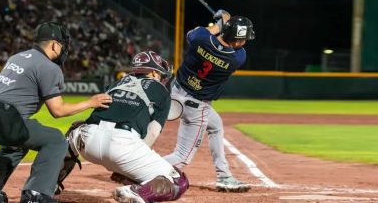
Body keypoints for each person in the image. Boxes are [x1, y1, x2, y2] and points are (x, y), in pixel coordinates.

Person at [0, 21, 112, 203]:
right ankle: (37, 194)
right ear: (55, 44)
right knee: (55, 140)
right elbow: (58, 110)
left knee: (18, 140)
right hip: (0, 117)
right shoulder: (49, 67)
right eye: (63, 45)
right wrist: (90, 102)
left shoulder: (17, 57)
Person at [60, 51, 189, 203]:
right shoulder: (161, 90)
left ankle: (49, 184)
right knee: (178, 181)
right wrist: (125, 168)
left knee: (76, 129)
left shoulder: (116, 83)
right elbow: (153, 132)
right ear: (154, 73)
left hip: (87, 143)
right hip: (122, 146)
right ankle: (137, 194)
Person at [163, 10, 255, 192]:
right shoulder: (237, 57)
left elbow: (199, 33)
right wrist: (225, 23)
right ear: (236, 41)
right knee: (182, 157)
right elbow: (226, 43)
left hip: (176, 93)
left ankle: (224, 176)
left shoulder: (200, 39)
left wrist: (220, 24)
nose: (244, 43)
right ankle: (137, 169)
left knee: (216, 125)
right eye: (243, 39)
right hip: (197, 106)